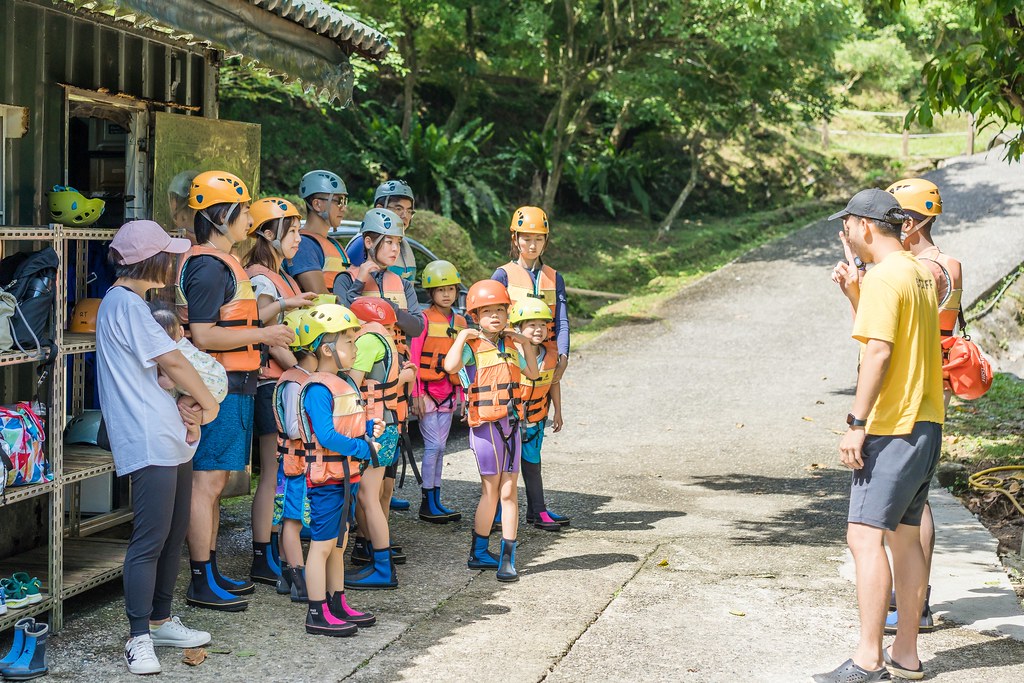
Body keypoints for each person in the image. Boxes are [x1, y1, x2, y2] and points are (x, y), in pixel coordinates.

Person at [815, 189, 944, 683]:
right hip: (926, 423)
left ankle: (868, 658)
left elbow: (878, 353)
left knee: (864, 539)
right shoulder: (915, 271)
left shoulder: (888, 276)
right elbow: (891, 338)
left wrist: (856, 422)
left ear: (866, 225)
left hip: (891, 428)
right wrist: (855, 293)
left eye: (846, 225)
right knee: (905, 541)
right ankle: (906, 655)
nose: (844, 234)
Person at [96, 220, 219, 676]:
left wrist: (193, 409)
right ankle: (138, 637)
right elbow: (171, 359)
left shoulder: (130, 303)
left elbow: (164, 367)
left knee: (172, 533)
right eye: (170, 253)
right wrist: (208, 402)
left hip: (167, 433)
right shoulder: (125, 303)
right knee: (150, 539)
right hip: (147, 436)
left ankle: (161, 620)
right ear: (151, 260)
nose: (175, 260)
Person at [176, 171, 294, 612]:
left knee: (216, 482)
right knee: (206, 484)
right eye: (244, 211)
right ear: (222, 216)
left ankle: (209, 572)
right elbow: (204, 336)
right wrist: (264, 335)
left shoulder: (223, 262)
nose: (249, 218)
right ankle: (200, 579)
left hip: (235, 387)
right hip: (218, 389)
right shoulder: (208, 266)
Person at [882, 178, 958, 635]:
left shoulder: (915, 270)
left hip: (912, 385)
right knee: (919, 495)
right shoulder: (949, 264)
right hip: (937, 382)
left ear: (909, 222)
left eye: (894, 219)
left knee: (913, 502)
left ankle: (914, 601)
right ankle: (916, 600)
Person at [337, 208, 424, 550]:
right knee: (365, 475)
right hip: (366, 383)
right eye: (388, 242)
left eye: (398, 243)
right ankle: (366, 543)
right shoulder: (346, 279)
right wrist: (361, 282)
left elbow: (416, 325)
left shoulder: (401, 283)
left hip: (396, 382)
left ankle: (377, 539)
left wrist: (389, 312)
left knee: (386, 479)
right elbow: (341, 311)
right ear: (369, 241)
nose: (395, 249)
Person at [296, 304, 383, 636]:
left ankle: (337, 601)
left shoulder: (343, 383)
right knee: (321, 546)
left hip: (347, 477)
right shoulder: (319, 389)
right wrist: (364, 448)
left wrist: (368, 428)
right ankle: (316, 612)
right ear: (327, 348)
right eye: (349, 342)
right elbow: (328, 435)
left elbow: (346, 427)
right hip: (328, 481)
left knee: (338, 545)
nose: (356, 349)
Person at [444, 280, 539, 583]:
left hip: (511, 425)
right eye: (488, 311)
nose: (496, 316)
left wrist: (524, 342)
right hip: (485, 428)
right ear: (475, 315)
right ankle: (478, 551)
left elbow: (533, 373)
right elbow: (449, 366)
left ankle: (507, 559)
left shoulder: (511, 346)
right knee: (492, 490)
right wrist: (461, 338)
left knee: (510, 491)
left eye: (500, 310)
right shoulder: (472, 347)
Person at [243, 197, 317, 585]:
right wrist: (302, 372)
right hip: (271, 383)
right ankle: (262, 552)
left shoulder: (280, 273)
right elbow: (265, 332)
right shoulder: (261, 276)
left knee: (280, 471)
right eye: (293, 232)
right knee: (272, 471)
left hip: (282, 380)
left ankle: (271, 550)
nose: (299, 239)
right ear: (268, 234)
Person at [492, 206, 571, 527]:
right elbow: (491, 317)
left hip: (544, 364)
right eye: (526, 238)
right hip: (511, 367)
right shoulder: (502, 275)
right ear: (515, 239)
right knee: (505, 443)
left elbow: (562, 319)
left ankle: (536, 508)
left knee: (534, 440)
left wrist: (563, 355)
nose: (532, 245)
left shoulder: (555, 277)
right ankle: (496, 509)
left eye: (538, 239)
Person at [343, 297, 415, 589]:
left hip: (375, 427)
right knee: (369, 497)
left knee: (367, 498)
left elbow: (351, 383)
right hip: (388, 427)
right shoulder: (388, 342)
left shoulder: (370, 342)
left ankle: (382, 568)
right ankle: (378, 562)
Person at [409, 260, 466, 523]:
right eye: (440, 289)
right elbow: (415, 357)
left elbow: (465, 362)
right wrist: (416, 393)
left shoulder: (460, 321)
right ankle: (426, 501)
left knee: (440, 448)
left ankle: (436, 500)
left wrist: (464, 395)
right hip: (427, 393)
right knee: (433, 446)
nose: (446, 294)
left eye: (451, 289)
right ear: (430, 293)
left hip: (449, 393)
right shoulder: (423, 319)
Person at [273, 309, 318, 602]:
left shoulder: (307, 377)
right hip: (295, 462)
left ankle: (287, 577)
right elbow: (292, 427)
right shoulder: (295, 381)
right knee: (291, 520)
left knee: (295, 518)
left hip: (306, 461)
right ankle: (298, 577)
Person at [509, 296, 565, 531]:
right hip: (510, 423)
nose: (538, 330)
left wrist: (558, 412)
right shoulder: (511, 354)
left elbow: (553, 383)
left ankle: (537, 511)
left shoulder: (549, 355)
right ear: (519, 328)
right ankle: (501, 514)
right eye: (531, 325)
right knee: (508, 471)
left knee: (533, 466)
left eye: (542, 325)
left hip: (535, 421)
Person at [285, 170, 351, 294]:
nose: (343, 207)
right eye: (339, 201)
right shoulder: (303, 245)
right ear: (317, 204)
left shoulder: (332, 243)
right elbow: (319, 296)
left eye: (345, 201)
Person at [149, 303, 228, 405]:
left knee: (182, 404)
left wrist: (155, 379)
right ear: (181, 331)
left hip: (210, 391)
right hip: (220, 376)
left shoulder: (167, 355)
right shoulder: (185, 344)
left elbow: (168, 383)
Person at [346, 180, 417, 283]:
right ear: (379, 209)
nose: (405, 216)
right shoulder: (363, 244)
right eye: (398, 208)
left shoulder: (405, 245)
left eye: (409, 211)